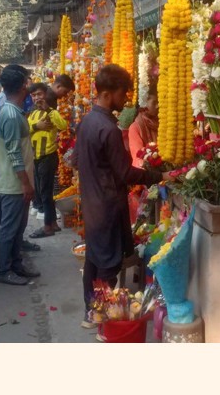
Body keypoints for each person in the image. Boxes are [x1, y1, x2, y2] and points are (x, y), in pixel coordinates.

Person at [74, 64, 164, 328]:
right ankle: (103, 319)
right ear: (109, 92)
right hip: (107, 205)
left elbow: (77, 160)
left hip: (92, 201)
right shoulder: (109, 129)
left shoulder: (88, 122)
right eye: (123, 93)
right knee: (108, 265)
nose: (126, 101)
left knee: (94, 259)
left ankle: (91, 313)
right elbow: (125, 173)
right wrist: (157, 177)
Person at [0, 65, 40, 285]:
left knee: (17, 228)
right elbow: (14, 154)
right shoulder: (11, 115)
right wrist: (26, 184)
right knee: (9, 230)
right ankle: (4, 270)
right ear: (23, 85)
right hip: (13, 185)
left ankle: (15, 264)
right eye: (28, 80)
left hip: (16, 184)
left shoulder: (14, 112)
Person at [27, 84, 67, 238]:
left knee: (45, 193)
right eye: (34, 95)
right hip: (36, 158)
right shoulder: (33, 114)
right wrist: (37, 126)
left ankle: (47, 227)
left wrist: (49, 110)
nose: (37, 98)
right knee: (43, 192)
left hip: (47, 157)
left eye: (39, 94)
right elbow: (26, 129)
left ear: (45, 95)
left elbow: (63, 126)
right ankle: (54, 224)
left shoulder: (52, 112)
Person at [128, 87, 159, 169]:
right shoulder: (135, 127)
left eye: (159, 102)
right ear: (144, 103)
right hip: (144, 174)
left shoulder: (162, 123)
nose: (157, 106)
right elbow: (138, 157)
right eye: (154, 102)